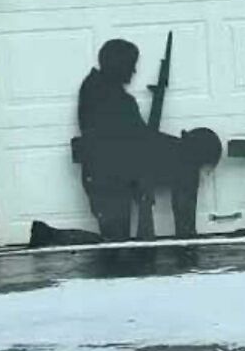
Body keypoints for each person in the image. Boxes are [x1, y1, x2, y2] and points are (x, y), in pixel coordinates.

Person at [76, 39, 222, 241]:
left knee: (117, 242)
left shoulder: (100, 89)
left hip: (113, 172)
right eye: (130, 64)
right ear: (117, 64)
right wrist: (180, 146)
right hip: (110, 178)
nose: (134, 71)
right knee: (116, 243)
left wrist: (177, 145)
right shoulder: (110, 97)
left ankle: (183, 241)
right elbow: (136, 138)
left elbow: (137, 137)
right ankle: (185, 245)